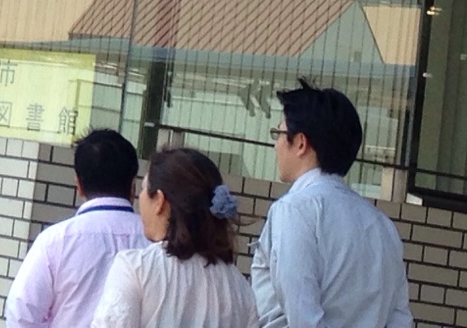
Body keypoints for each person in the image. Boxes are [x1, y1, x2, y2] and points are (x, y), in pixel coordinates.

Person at [252, 80, 411, 328]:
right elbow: (400, 318)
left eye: (279, 133)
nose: (276, 144)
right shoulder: (383, 226)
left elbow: (302, 316)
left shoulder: (294, 210)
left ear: (301, 143)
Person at [90, 147, 257, 328]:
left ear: (159, 200)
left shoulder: (136, 268)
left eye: (144, 188)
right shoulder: (240, 287)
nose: (140, 198)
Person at [6, 129, 147, 327]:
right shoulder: (157, 241)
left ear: (78, 185)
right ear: (133, 186)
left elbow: (21, 315)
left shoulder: (55, 240)